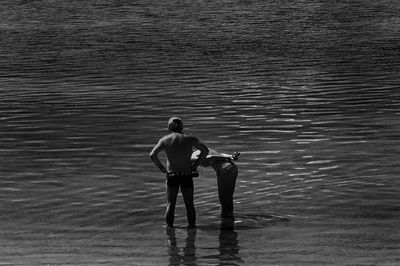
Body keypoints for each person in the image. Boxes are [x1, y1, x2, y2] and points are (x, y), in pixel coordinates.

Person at [150, 117, 209, 229]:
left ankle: (169, 230)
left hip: (172, 175)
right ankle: (192, 229)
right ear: (181, 126)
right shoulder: (190, 139)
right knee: (189, 204)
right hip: (186, 174)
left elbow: (152, 155)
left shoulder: (165, 140)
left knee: (170, 204)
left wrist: (162, 168)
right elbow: (205, 150)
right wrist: (195, 165)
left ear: (169, 127)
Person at [192, 149, 240, 229]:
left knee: (224, 199)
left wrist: (228, 157)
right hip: (232, 168)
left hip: (225, 170)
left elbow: (210, 157)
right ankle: (228, 219)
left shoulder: (193, 155)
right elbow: (221, 155)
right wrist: (230, 157)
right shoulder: (205, 150)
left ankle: (226, 224)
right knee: (227, 198)